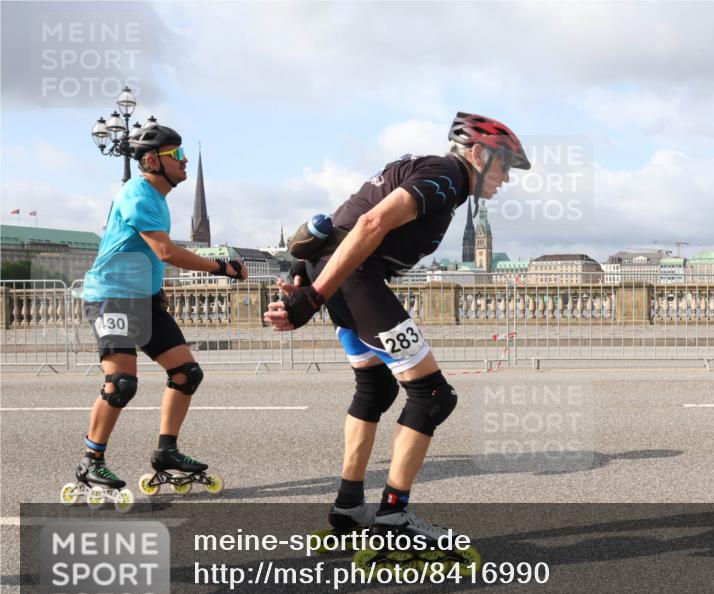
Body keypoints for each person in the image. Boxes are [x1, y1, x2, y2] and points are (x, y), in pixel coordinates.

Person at [267, 112, 530, 542]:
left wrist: (305, 273)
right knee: (432, 396)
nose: (506, 178)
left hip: (337, 274)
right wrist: (312, 297)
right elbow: (371, 222)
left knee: (376, 387)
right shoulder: (447, 176)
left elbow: (344, 217)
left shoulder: (421, 165)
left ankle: (349, 506)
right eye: (505, 164)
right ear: (479, 153)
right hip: (355, 279)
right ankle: (393, 517)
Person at [62, 123, 246, 508]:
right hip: (112, 297)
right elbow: (165, 251)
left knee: (186, 374)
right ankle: (90, 461)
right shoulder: (137, 193)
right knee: (122, 383)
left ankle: (167, 452)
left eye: (183, 154)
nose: (183, 162)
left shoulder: (158, 200)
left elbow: (148, 255)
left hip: (143, 298)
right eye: (176, 156)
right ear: (151, 161)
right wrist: (223, 267)